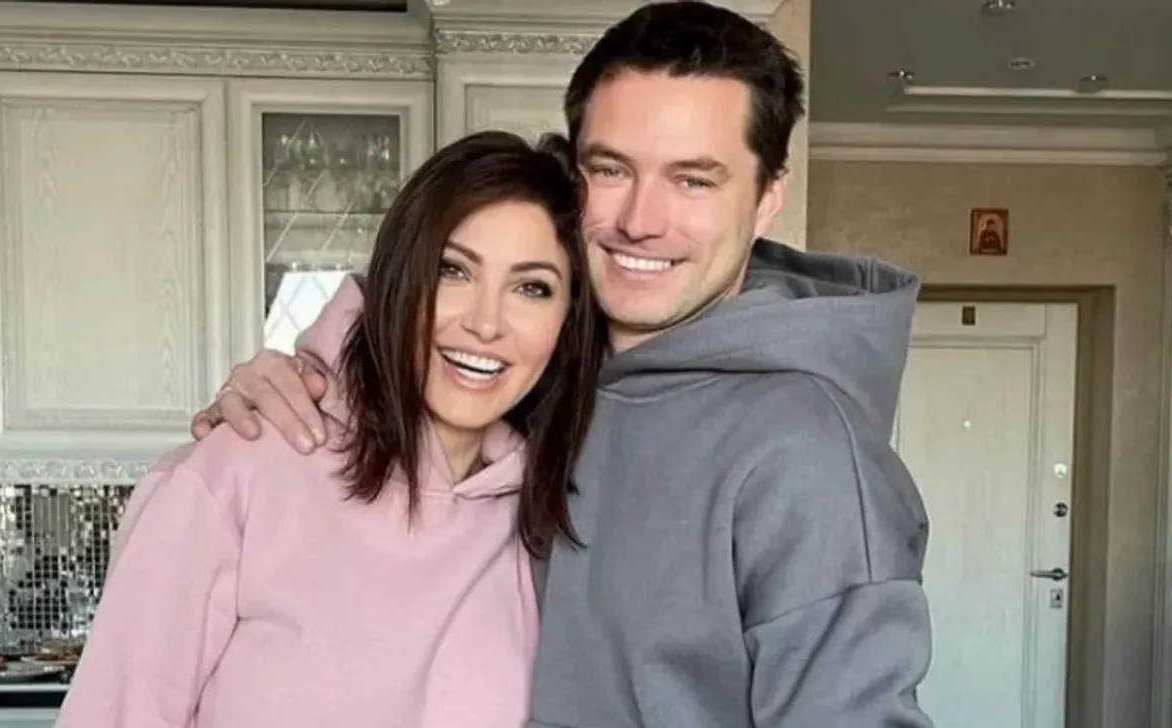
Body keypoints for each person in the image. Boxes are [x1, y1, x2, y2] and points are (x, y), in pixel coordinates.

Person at [190, 2, 935, 726]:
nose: (640, 221)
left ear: (769, 196)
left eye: (693, 180)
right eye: (611, 170)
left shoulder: (809, 455)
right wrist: (311, 378)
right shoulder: (527, 377)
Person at [55, 130, 606, 728]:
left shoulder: (540, 518)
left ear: (566, 323)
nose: (486, 323)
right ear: (397, 280)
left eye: (532, 288)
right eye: (452, 270)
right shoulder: (239, 471)